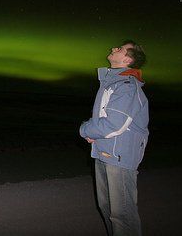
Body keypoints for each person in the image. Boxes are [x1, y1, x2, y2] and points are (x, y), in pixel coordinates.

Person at [79, 40, 148, 236]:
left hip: (120, 156)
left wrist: (85, 130)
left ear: (127, 59)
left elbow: (114, 124)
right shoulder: (113, 82)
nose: (113, 49)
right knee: (108, 208)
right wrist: (95, 133)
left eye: (120, 49)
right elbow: (105, 119)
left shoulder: (126, 86)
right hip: (106, 151)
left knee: (121, 215)